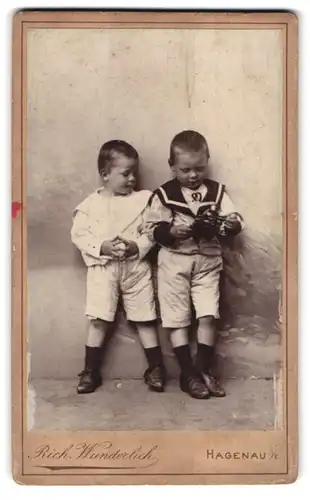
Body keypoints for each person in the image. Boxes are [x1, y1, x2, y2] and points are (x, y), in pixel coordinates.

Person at [145, 130, 244, 399]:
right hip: (174, 261)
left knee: (208, 314)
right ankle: (188, 374)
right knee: (177, 319)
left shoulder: (217, 191)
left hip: (208, 260)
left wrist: (232, 224)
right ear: (172, 166)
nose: (192, 176)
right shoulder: (164, 194)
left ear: (207, 161)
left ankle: (203, 370)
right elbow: (150, 227)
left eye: (199, 168)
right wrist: (169, 232)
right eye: (185, 170)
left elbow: (232, 219)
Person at [71, 140, 165, 394]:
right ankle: (90, 370)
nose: (132, 178)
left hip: (136, 267)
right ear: (105, 175)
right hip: (104, 270)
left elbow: (155, 230)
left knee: (145, 317)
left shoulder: (144, 200)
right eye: (126, 173)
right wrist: (102, 246)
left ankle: (156, 367)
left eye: (134, 172)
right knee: (99, 319)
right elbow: (79, 235)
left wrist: (139, 246)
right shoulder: (91, 204)